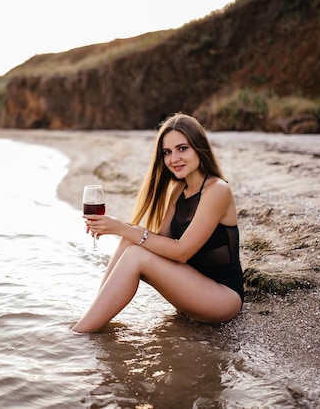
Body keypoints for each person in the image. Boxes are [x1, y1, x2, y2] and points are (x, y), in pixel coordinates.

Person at [72, 113, 244, 333]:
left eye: (182, 148)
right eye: (167, 152)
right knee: (129, 242)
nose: (174, 159)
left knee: (135, 250)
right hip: (192, 288)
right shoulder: (179, 190)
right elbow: (162, 241)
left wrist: (121, 227)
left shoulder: (217, 190)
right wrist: (121, 230)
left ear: (199, 148)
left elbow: (181, 252)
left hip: (223, 298)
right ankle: (94, 314)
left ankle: (79, 334)